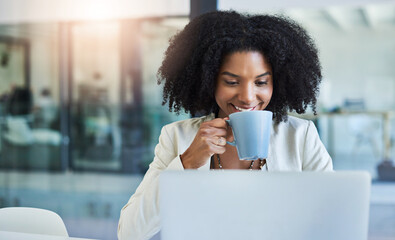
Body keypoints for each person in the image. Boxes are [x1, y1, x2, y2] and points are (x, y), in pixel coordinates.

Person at [118, 11, 333, 240]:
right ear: (209, 80)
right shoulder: (176, 137)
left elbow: (333, 219)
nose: (248, 97)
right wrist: (187, 162)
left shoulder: (301, 137)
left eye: (261, 82)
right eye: (231, 82)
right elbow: (130, 233)